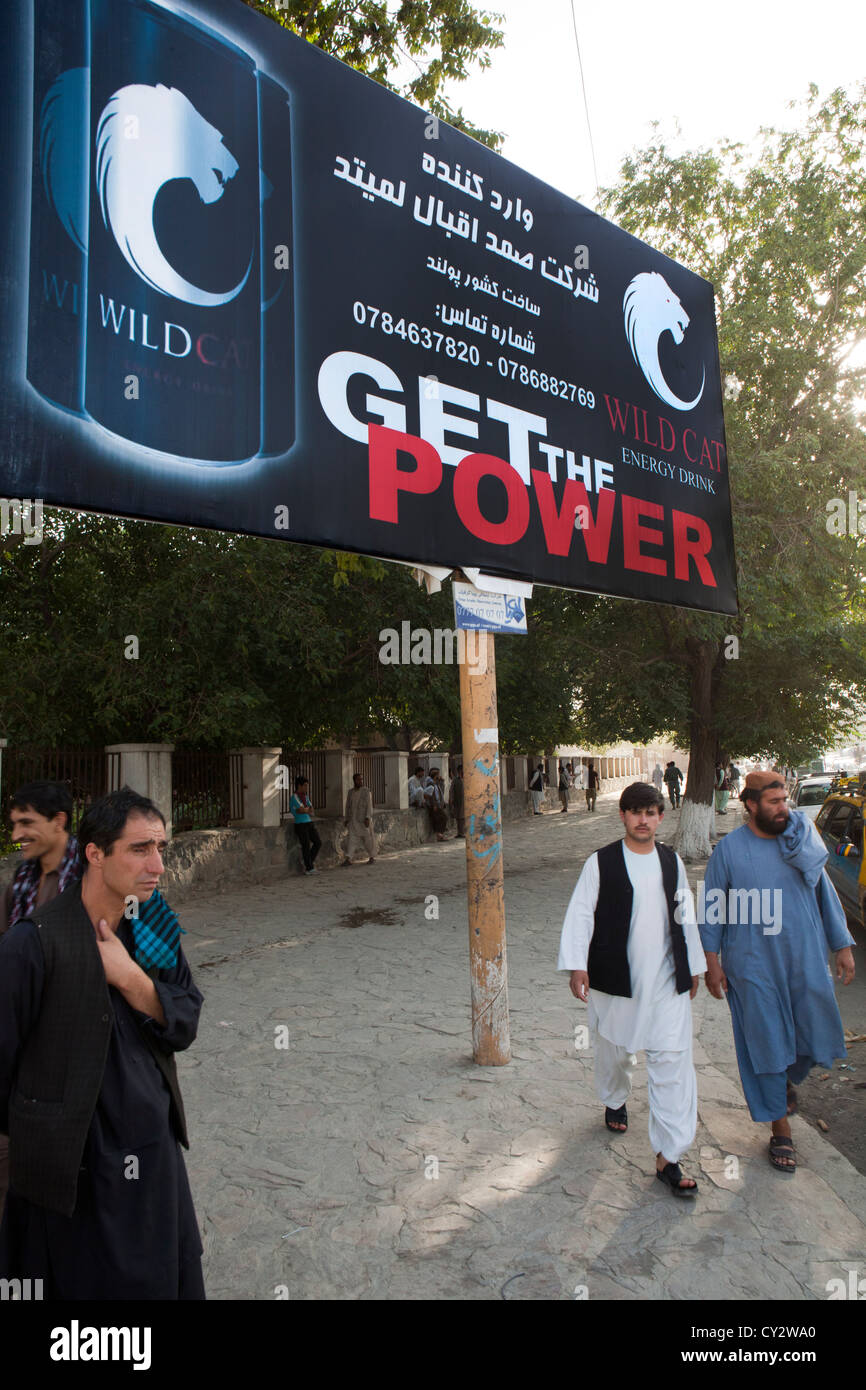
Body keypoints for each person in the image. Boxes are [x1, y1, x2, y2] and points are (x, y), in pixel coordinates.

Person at [0, 786, 204, 1298]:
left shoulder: (154, 926)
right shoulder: (33, 942)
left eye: (161, 848)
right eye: (140, 849)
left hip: (154, 1158)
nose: (157, 864)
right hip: (72, 1177)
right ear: (94, 853)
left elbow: (184, 1021)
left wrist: (132, 979)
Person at [701, 771, 856, 1175]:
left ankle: (788, 1080)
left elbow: (825, 892)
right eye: (773, 802)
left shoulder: (800, 838)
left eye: (784, 800)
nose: (783, 808)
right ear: (750, 804)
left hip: (804, 958)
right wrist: (712, 963)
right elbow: (713, 908)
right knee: (766, 1042)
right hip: (752, 966)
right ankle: (780, 1128)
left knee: (812, 1028)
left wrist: (842, 947)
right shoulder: (730, 851)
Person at [558, 782, 705, 1196]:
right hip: (616, 980)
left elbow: (685, 916)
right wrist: (577, 965)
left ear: (661, 816)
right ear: (622, 815)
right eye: (636, 812)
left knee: (673, 1064)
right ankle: (614, 1097)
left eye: (651, 812)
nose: (644, 819)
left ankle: (669, 1157)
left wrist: (691, 966)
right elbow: (582, 913)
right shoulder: (601, 862)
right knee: (615, 1049)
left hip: (665, 984)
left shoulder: (672, 862)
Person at [0, 781, 82, 1220]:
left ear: (59, 821)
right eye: (14, 824)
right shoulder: (21, 884)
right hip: (21, 1050)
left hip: (71, 1056)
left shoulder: (92, 881)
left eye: (27, 823)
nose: (16, 834)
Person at [289, 776, 321, 874]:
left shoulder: (305, 797)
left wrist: (304, 810)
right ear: (299, 785)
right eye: (305, 785)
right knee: (306, 845)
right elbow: (302, 809)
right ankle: (309, 868)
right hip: (300, 824)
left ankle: (308, 862)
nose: (307, 787)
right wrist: (304, 810)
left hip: (309, 822)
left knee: (318, 842)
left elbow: (310, 809)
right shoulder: (294, 797)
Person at [343, 772, 375, 865]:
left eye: (361, 779)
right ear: (354, 781)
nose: (360, 781)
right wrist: (346, 818)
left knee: (367, 839)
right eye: (358, 779)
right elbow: (347, 806)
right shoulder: (350, 792)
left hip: (363, 820)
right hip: (353, 820)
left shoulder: (366, 791)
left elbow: (369, 805)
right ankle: (348, 858)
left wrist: (368, 818)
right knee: (351, 839)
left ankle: (372, 856)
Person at [425, 767, 448, 841]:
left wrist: (442, 781)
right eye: (438, 774)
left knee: (441, 818)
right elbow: (430, 795)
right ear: (435, 775)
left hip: (439, 804)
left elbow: (441, 791)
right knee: (442, 818)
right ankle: (439, 835)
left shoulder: (436, 783)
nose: (439, 776)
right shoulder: (430, 783)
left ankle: (440, 835)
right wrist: (434, 804)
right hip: (434, 805)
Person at [449, 764, 465, 838]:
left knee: (464, 817)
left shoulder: (467, 778)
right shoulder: (455, 780)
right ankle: (460, 833)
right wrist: (451, 800)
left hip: (466, 801)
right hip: (458, 801)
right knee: (459, 818)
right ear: (459, 771)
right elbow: (451, 791)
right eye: (462, 770)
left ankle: (464, 832)